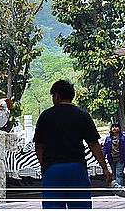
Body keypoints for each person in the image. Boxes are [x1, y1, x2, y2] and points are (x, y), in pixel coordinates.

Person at [34, 80, 112, 209]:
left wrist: (45, 166)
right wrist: (104, 167)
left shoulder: (45, 116)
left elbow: (39, 145)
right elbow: (93, 144)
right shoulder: (82, 115)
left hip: (53, 169)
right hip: (76, 168)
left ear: (57, 96)